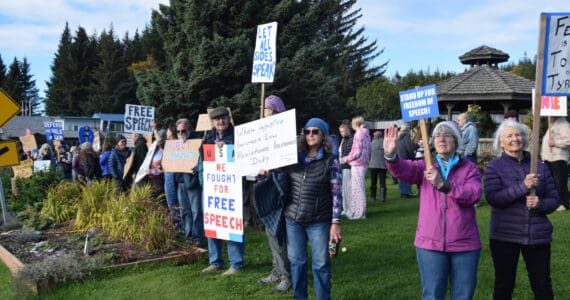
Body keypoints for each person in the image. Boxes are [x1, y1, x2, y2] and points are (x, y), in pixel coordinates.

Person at [384, 121, 482, 300]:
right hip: (430, 243)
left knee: (463, 295)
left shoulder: (469, 168)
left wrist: (444, 185)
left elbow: (474, 194)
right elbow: (403, 169)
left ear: (457, 140)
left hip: (465, 243)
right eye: (437, 135)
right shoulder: (425, 167)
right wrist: (391, 156)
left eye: (447, 135)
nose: (441, 139)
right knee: (432, 295)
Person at [484, 119, 558, 299]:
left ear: (524, 139)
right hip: (505, 235)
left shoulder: (539, 166)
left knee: (542, 285)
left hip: (537, 234)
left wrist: (540, 204)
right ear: (501, 142)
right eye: (509, 136)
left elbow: (554, 200)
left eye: (518, 134)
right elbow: (494, 198)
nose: (515, 138)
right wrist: (523, 187)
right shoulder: (494, 167)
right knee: (504, 284)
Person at [284, 117, 343, 300]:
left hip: (319, 220)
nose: (310, 135)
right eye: (307, 131)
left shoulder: (331, 161)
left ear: (323, 135)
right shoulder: (295, 158)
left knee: (321, 264)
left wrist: (335, 222)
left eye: (315, 131)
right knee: (297, 263)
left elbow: (337, 193)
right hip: (293, 219)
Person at [253, 95, 291, 293]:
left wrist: (273, 167)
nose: (264, 114)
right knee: (270, 231)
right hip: (264, 184)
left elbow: (286, 161)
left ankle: (287, 276)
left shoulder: (285, 132)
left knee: (278, 233)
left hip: (279, 187)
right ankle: (276, 271)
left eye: (268, 111)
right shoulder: (263, 131)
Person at [200, 107, 244, 276]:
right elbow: (202, 159)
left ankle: (236, 264)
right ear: (213, 122)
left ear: (229, 118)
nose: (221, 122)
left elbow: (245, 156)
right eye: (217, 119)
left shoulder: (237, 136)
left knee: (231, 222)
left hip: (232, 188)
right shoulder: (208, 137)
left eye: (224, 118)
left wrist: (228, 147)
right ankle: (215, 261)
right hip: (213, 188)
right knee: (213, 223)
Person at [174, 118, 205, 247]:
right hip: (180, 182)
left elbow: (204, 161)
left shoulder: (197, 143)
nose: (181, 133)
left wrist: (196, 169)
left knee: (196, 211)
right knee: (185, 211)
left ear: (189, 130)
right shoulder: (175, 145)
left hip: (192, 183)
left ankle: (198, 238)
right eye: (178, 131)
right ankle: (189, 236)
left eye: (183, 131)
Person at [340, 116, 370, 219]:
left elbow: (356, 152)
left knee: (357, 190)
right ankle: (360, 212)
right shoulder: (366, 134)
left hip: (357, 164)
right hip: (364, 163)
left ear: (354, 124)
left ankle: (359, 213)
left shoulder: (358, 134)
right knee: (360, 188)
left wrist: (345, 159)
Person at [541, 116, 570, 211]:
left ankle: (563, 203)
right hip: (549, 159)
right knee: (551, 182)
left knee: (560, 182)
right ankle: (555, 201)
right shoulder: (552, 124)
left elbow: (568, 141)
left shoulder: (564, 125)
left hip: (558, 158)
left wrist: (555, 143)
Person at [164, 124, 182, 231]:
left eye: (167, 131)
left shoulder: (178, 145)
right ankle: (176, 227)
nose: (166, 133)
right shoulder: (168, 144)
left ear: (171, 132)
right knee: (172, 204)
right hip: (168, 176)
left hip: (173, 177)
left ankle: (178, 228)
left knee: (174, 204)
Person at [396, 123, 417, 198]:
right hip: (406, 158)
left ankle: (402, 192)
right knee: (406, 176)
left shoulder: (398, 136)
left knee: (401, 176)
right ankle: (407, 193)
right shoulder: (406, 136)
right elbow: (409, 148)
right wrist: (413, 158)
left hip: (399, 158)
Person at [338, 120, 353, 216]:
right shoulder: (343, 140)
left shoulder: (352, 139)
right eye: (340, 132)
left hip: (349, 166)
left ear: (348, 130)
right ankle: (345, 208)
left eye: (343, 131)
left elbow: (351, 153)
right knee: (343, 190)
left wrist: (344, 159)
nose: (341, 133)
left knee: (348, 189)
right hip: (343, 166)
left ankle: (350, 209)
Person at [369, 130, 387, 202]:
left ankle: (373, 197)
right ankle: (383, 198)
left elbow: (368, 155)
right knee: (382, 182)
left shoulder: (371, 144)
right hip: (382, 165)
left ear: (375, 136)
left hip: (373, 165)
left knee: (373, 182)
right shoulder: (384, 143)